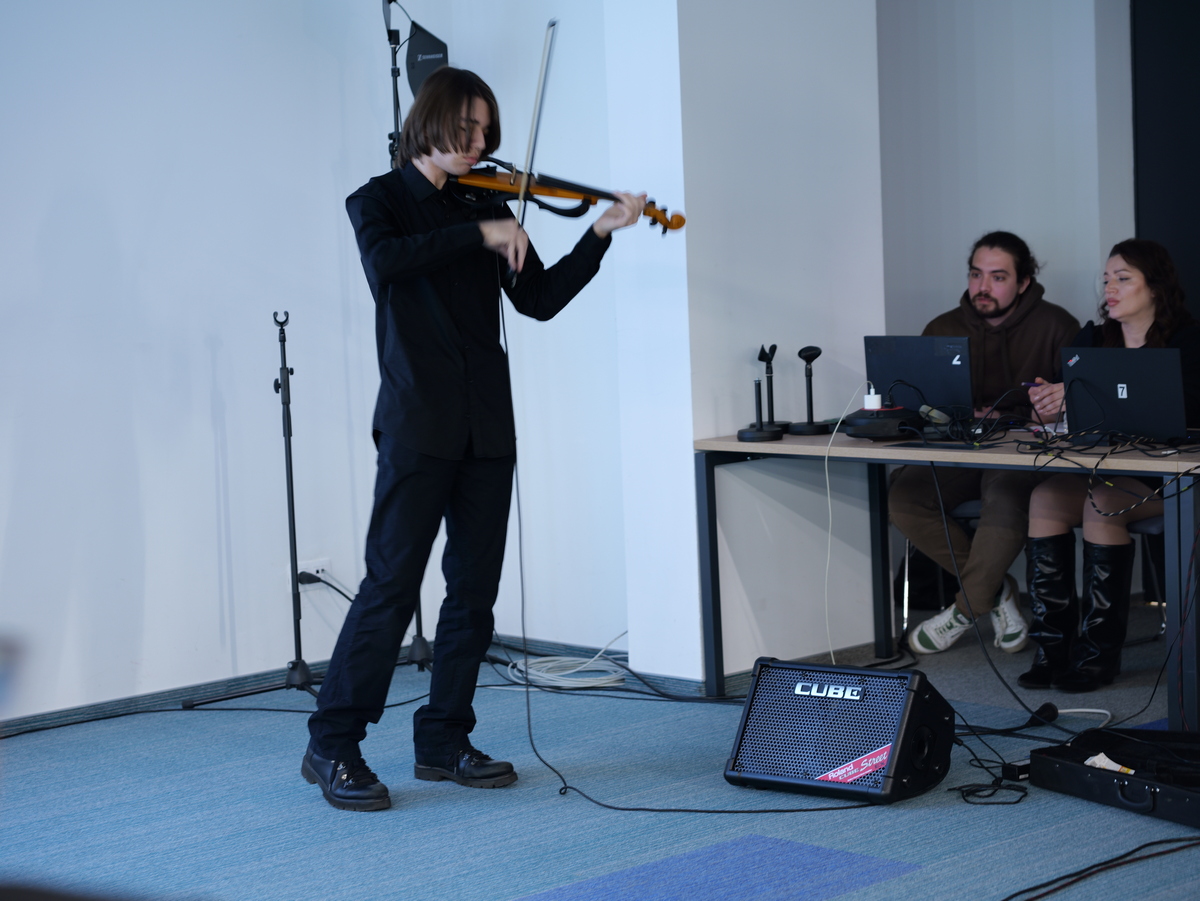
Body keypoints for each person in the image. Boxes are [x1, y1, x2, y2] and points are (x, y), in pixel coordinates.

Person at [301, 67, 646, 811]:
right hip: (417, 423)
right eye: (467, 129)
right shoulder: (378, 201)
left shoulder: (489, 204)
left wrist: (597, 235)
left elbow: (539, 300)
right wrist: (479, 232)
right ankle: (332, 742)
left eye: (487, 132)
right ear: (430, 121)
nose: (479, 144)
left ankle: (443, 738)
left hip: (486, 425)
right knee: (391, 585)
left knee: (474, 591)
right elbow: (387, 263)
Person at [1023, 239, 1200, 692]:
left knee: (1100, 502)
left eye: (1123, 279)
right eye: (1106, 280)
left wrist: (1080, 396)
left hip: (1169, 473)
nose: (1111, 289)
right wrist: (1047, 405)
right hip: (1103, 469)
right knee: (1044, 498)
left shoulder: (1187, 342)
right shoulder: (1092, 339)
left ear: (1155, 287)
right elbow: (1060, 410)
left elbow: (1182, 410)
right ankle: (1052, 650)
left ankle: (1097, 657)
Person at [892, 231, 1080, 655]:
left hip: (1021, 452)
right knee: (905, 498)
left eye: (998, 277)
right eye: (976, 274)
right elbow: (922, 403)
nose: (982, 286)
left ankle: (964, 610)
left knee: (1005, 500)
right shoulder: (942, 328)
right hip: (957, 448)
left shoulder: (1058, 326)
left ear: (1023, 282)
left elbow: (1076, 407)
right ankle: (995, 590)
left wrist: (1024, 415)